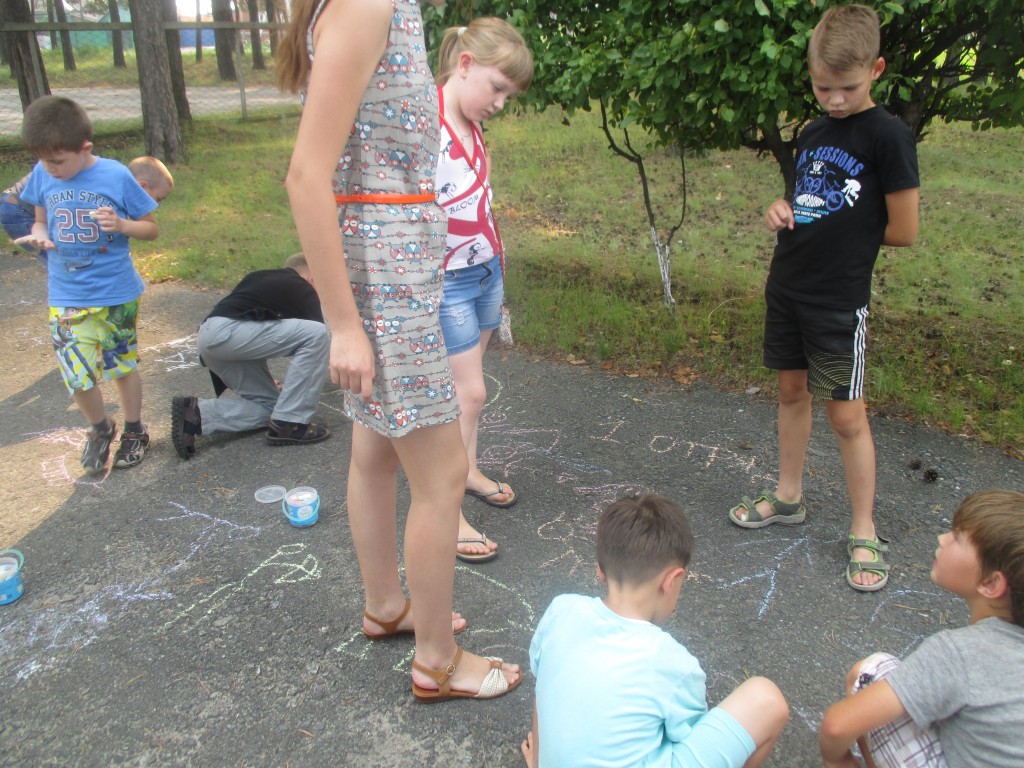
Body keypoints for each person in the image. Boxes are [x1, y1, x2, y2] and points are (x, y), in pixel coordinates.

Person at [277, 0, 521, 701]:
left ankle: (387, 607)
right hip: (386, 275)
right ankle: (437, 662)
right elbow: (306, 176)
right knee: (443, 475)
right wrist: (343, 324)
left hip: (395, 263)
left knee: (377, 452)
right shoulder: (366, 4)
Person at [728, 4, 920, 592]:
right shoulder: (812, 133)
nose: (834, 100)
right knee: (791, 392)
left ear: (876, 71)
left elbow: (904, 230)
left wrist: (843, 227)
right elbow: (804, 201)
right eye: (822, 88)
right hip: (788, 289)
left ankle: (864, 528)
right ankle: (788, 497)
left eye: (848, 88)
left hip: (836, 305)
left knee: (846, 415)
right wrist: (780, 210)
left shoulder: (888, 136)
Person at [522, 492, 789, 767]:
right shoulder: (673, 663)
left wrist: (540, 760)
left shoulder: (560, 610)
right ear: (672, 581)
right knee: (766, 699)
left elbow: (543, 687)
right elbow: (687, 736)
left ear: (600, 570)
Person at [818, 489, 1024, 768]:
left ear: (990, 584)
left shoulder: (959, 653)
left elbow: (836, 726)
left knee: (871, 670)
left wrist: (838, 761)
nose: (942, 538)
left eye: (957, 538)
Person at [15, 95, 165, 474]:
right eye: (43, 161)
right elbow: (40, 219)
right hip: (66, 295)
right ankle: (100, 427)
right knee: (75, 374)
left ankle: (134, 429)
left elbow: (150, 228)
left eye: (58, 161)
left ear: (85, 148)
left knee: (121, 367)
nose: (50, 169)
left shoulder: (115, 175)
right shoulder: (43, 173)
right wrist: (39, 235)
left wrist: (123, 225)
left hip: (115, 295)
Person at [434, 18, 534, 563]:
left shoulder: (472, 125)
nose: (499, 103)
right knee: (467, 393)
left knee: (470, 392)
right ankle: (445, 513)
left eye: (508, 96)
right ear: (465, 64)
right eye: (496, 88)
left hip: (486, 269)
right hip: (448, 279)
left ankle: (467, 470)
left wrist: (496, 263)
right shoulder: (426, 123)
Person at [170, 252, 331, 459]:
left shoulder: (262, 278)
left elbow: (260, 330)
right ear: (312, 279)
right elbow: (321, 343)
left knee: (273, 407)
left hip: (211, 337)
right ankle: (291, 423)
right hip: (227, 334)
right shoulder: (302, 287)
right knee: (319, 333)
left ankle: (197, 414)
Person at [3, 156, 171, 268]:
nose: (157, 204)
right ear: (141, 186)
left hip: (16, 206)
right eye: (159, 198)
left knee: (72, 262)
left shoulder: (112, 179)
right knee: (67, 261)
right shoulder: (108, 180)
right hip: (17, 209)